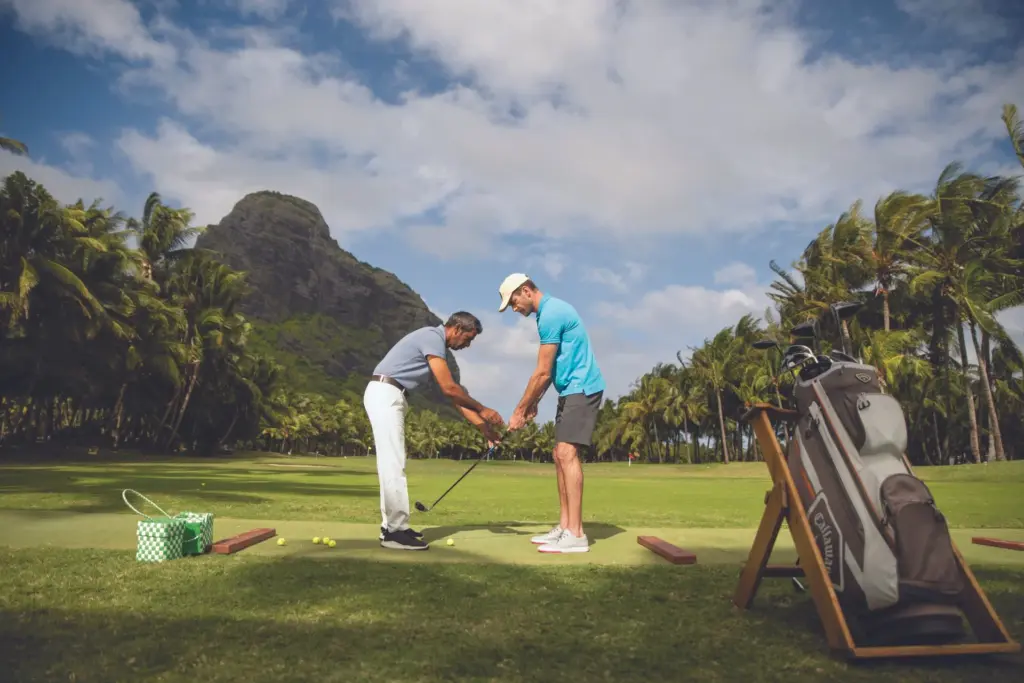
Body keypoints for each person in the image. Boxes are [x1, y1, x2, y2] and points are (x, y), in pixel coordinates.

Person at [364, 311, 504, 550]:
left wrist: (484, 429)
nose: (467, 345)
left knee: (393, 462)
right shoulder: (432, 337)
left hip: (390, 394)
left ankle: (393, 526)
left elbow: (455, 398)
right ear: (457, 329)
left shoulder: (436, 348)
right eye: (468, 339)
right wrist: (483, 408)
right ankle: (394, 533)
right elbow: (450, 389)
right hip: (385, 393)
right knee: (393, 463)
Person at [498, 273, 605, 553]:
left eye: (513, 301)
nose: (513, 308)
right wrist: (534, 403)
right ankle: (565, 526)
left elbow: (542, 371)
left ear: (526, 291)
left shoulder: (551, 314)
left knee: (567, 454)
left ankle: (576, 534)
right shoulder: (546, 314)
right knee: (559, 454)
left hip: (582, 388)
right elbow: (554, 368)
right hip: (570, 389)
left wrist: (519, 411)